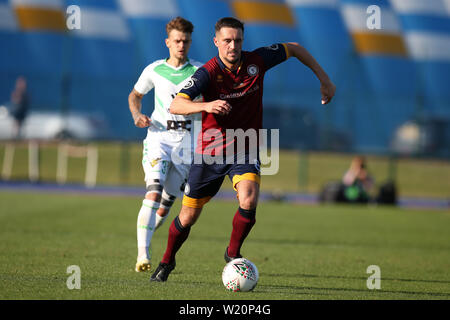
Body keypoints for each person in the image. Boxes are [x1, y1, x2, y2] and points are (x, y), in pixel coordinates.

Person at [150, 17, 336, 282]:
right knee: (188, 216)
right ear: (216, 42)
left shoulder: (256, 62)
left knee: (249, 199)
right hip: (209, 153)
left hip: (244, 148)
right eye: (227, 40)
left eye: (237, 40)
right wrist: (206, 106)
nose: (232, 45)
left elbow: (294, 47)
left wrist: (325, 80)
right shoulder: (207, 73)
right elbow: (177, 105)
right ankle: (167, 262)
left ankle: (232, 254)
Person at [128, 17, 203, 272]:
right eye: (177, 41)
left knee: (167, 202)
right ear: (167, 42)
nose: (181, 45)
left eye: (186, 41)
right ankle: (142, 255)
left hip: (188, 146)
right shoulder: (154, 70)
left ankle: (148, 231)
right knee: (153, 192)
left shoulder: (201, 72)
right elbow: (135, 95)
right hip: (159, 139)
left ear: (190, 42)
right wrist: (137, 115)